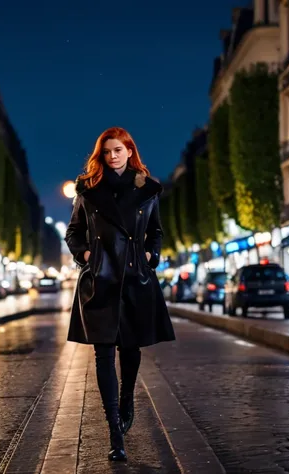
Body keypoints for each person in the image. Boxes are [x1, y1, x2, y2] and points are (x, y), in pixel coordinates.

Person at [65, 126, 175, 462]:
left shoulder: (147, 191)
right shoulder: (88, 190)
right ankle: (114, 430)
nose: (113, 156)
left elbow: (155, 232)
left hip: (134, 279)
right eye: (107, 151)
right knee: (102, 355)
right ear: (101, 156)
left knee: (130, 351)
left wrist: (149, 256)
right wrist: (86, 255)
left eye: (118, 150)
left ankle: (127, 399)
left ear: (130, 152)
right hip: (100, 281)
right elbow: (74, 232)